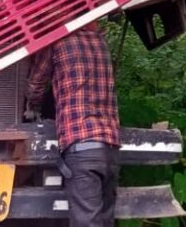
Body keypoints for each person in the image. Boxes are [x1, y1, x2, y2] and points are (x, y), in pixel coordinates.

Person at [25, 23, 121, 227]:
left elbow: (36, 84)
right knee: (105, 220)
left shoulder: (56, 39)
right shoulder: (101, 41)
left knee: (86, 221)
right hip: (110, 147)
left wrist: (33, 108)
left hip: (81, 147)